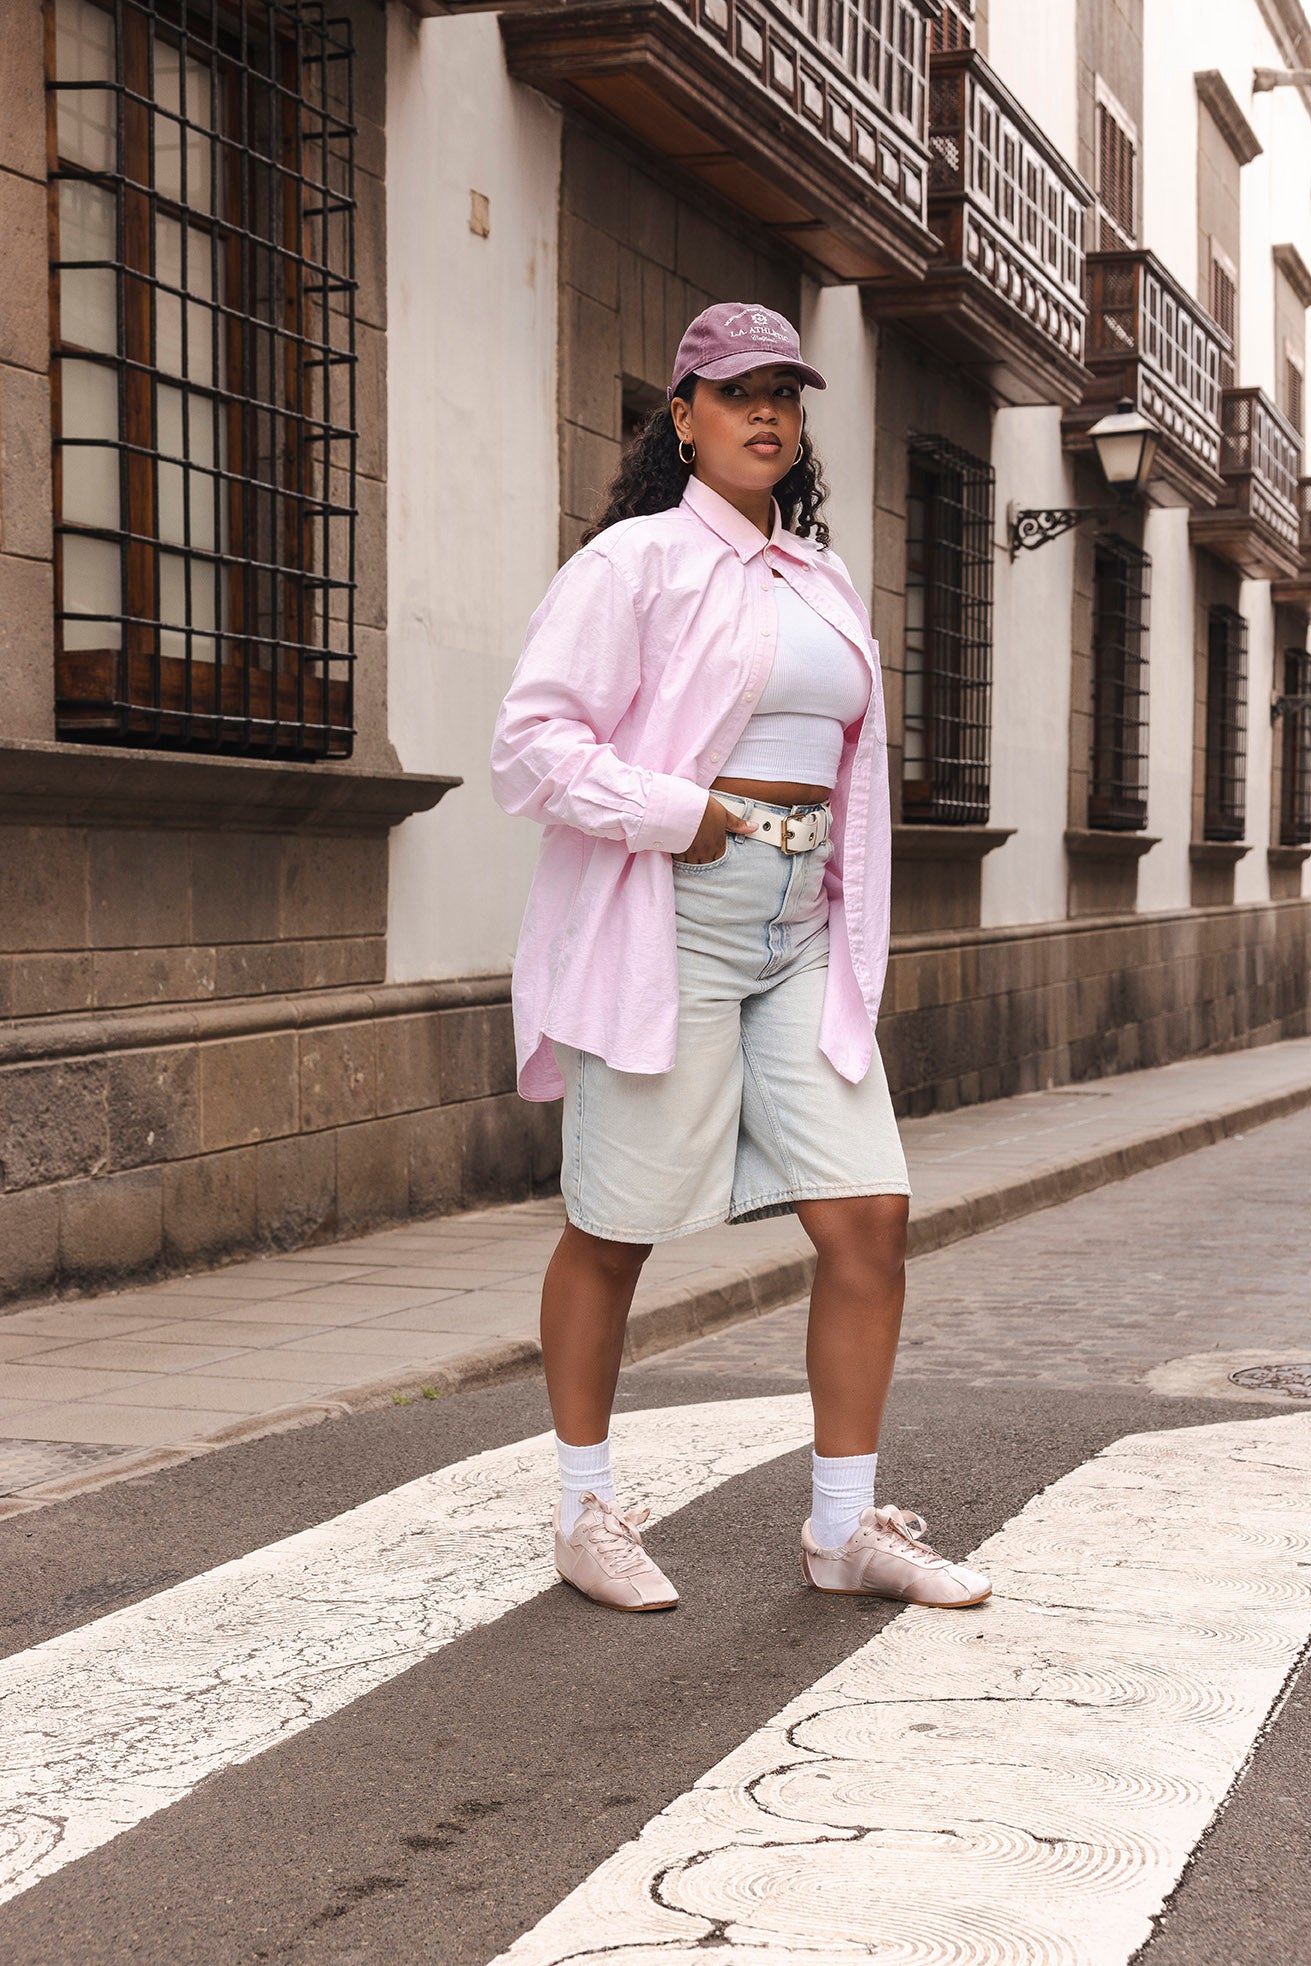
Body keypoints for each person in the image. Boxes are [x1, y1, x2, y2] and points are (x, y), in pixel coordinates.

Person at [489, 301, 990, 1616]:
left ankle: (843, 1528)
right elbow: (531, 747)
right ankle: (585, 1510)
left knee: (868, 1215)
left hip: (800, 932)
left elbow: (851, 769)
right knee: (616, 1228)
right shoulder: (633, 565)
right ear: (684, 416)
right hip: (672, 921)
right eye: (736, 390)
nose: (765, 411)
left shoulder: (820, 576)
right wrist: (679, 812)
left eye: (785, 392)